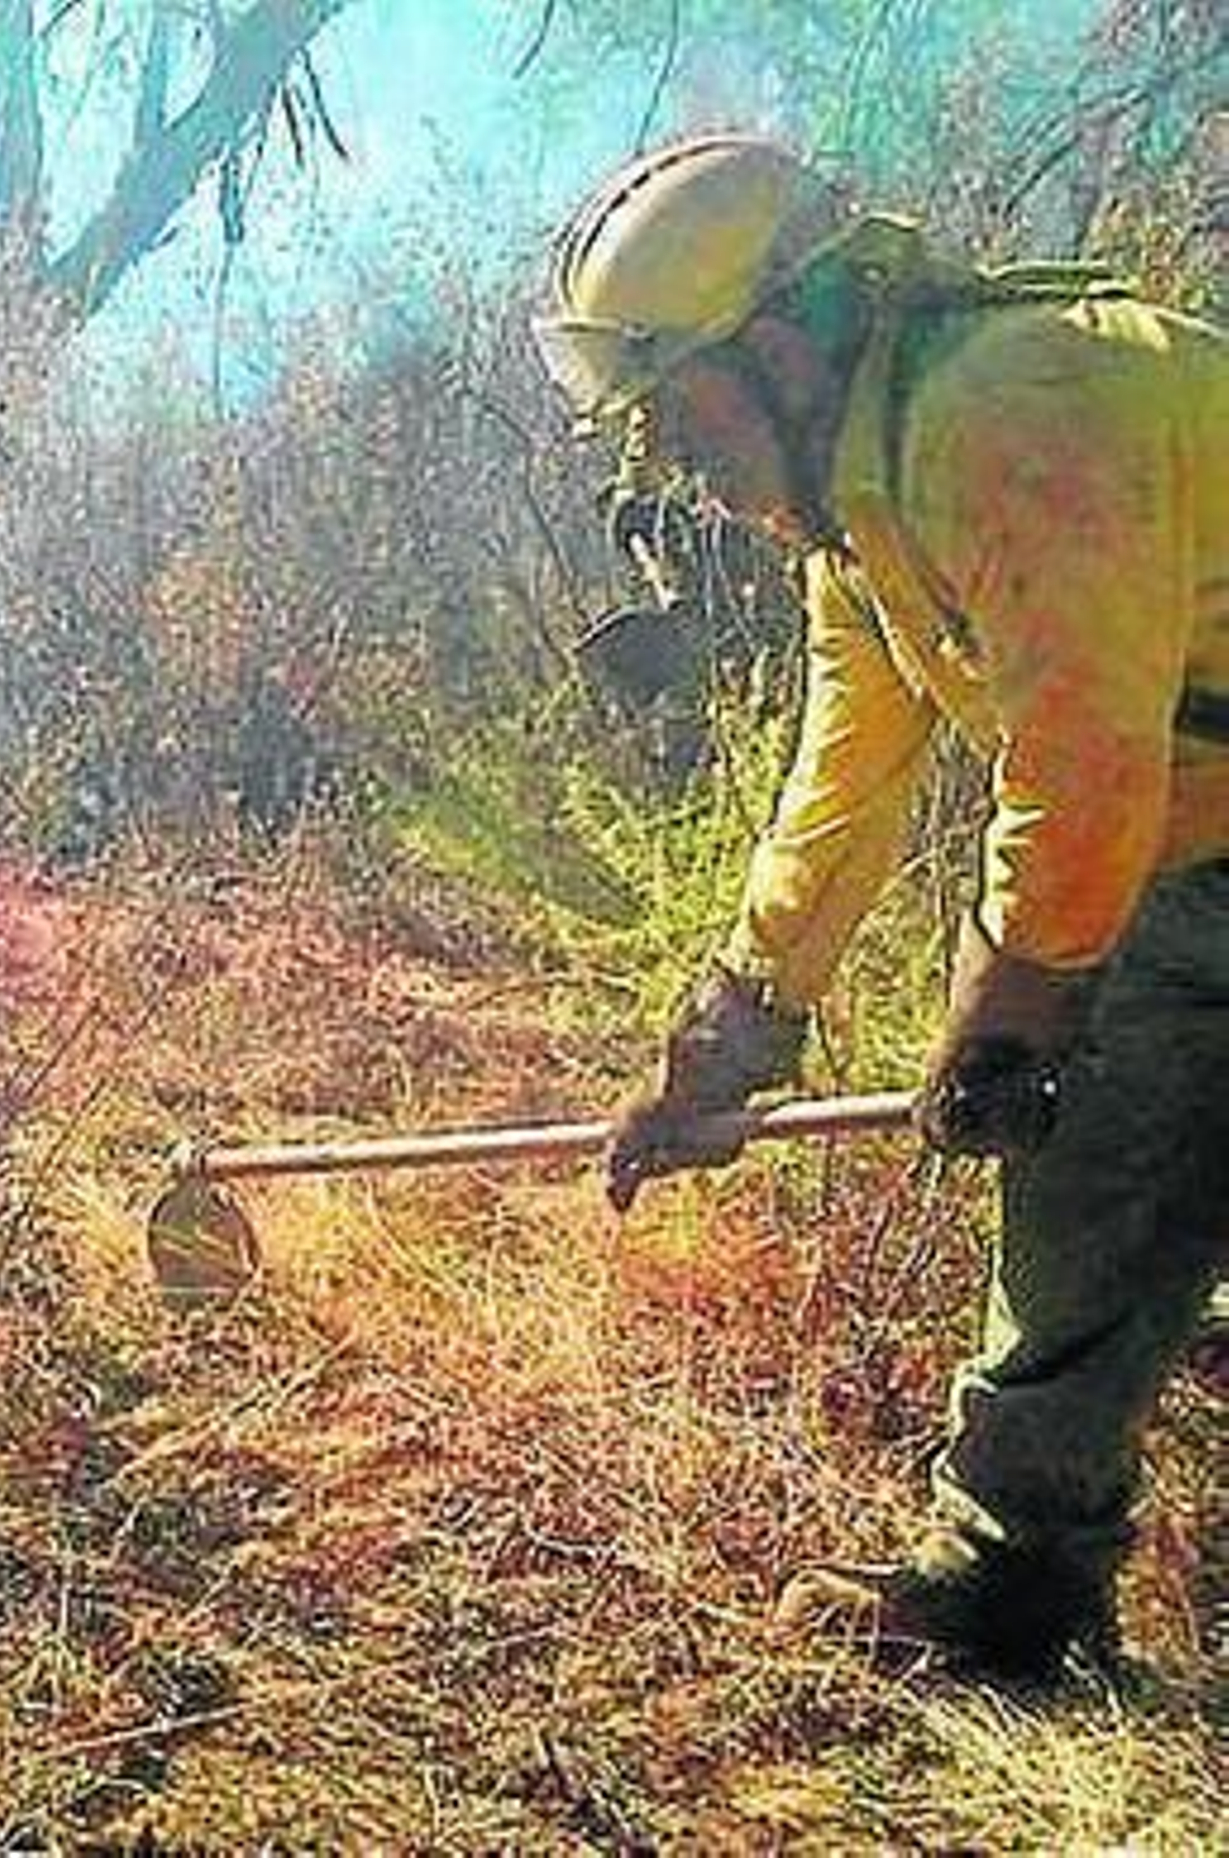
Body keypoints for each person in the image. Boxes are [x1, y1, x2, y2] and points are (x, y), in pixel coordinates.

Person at [533, 134, 1229, 1680]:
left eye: (677, 414)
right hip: (1198, 858)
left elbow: (1087, 771)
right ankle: (1017, 1579)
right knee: (1100, 1160)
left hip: (1177, 835)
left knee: (1093, 1104)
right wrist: (729, 1034)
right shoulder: (864, 511)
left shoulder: (1013, 409)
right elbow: (843, 780)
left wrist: (1014, 1018)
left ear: (782, 346)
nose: (672, 472)